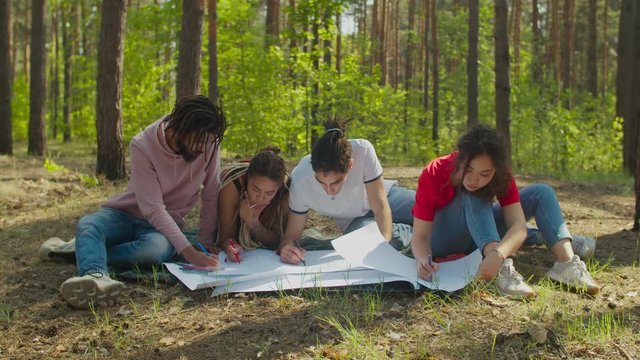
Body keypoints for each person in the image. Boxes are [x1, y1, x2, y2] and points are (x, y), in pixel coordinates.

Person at [39, 95, 227, 308]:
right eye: (201, 142)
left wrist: (204, 242)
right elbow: (153, 208)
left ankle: (84, 249)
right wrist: (189, 252)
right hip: (125, 214)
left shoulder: (208, 142)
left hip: (161, 229)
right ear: (179, 128)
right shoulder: (143, 145)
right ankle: (95, 276)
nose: (204, 148)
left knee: (155, 251)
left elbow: (211, 194)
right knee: (90, 224)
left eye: (209, 143)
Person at [411, 125, 600, 298]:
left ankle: (566, 263)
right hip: (445, 239)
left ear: (495, 170)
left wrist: (499, 254)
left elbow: (518, 226)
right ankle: (502, 270)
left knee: (541, 193)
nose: (474, 179)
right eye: (468, 170)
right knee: (474, 193)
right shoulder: (435, 170)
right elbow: (420, 237)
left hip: (482, 232)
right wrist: (422, 260)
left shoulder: (500, 176)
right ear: (459, 159)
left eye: (485, 174)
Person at [279, 120, 415, 264]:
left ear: (350, 165)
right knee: (372, 243)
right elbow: (291, 236)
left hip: (387, 198)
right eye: (321, 183)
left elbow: (380, 208)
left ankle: (417, 228)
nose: (329, 191)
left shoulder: (363, 150)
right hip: (355, 221)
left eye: (336, 182)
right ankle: (412, 231)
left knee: (433, 207)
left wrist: (384, 241)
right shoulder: (301, 178)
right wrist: (288, 249)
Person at [216, 147, 290, 261]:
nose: (260, 198)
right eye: (255, 189)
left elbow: (279, 241)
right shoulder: (233, 184)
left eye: (269, 193)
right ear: (247, 178)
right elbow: (225, 236)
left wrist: (253, 223)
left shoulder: (286, 192)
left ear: (279, 188)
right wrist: (231, 246)